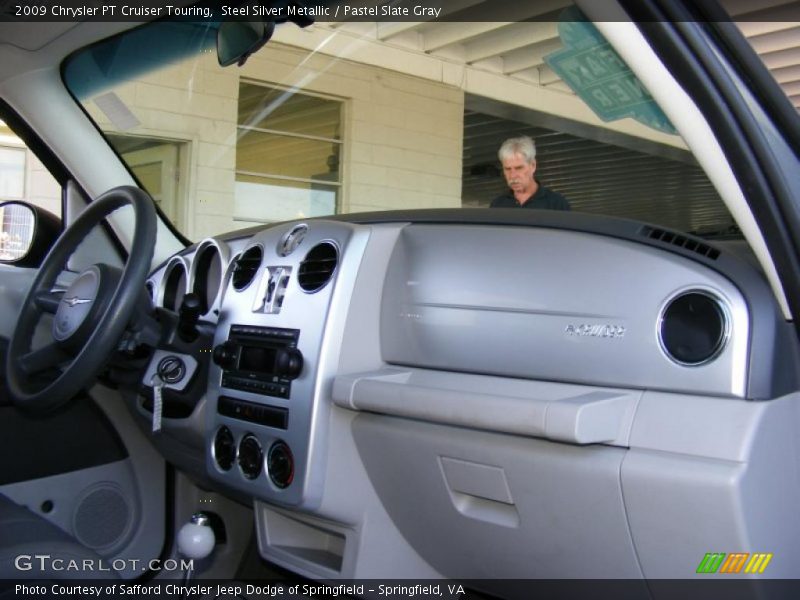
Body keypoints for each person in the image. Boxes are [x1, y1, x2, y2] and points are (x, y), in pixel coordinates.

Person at [490, 136, 570, 210]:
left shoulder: (556, 203)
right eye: (507, 169)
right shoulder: (497, 205)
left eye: (519, 168)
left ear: (533, 165)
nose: (512, 175)